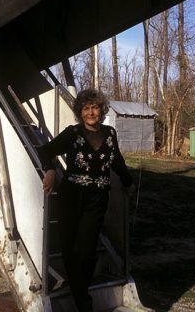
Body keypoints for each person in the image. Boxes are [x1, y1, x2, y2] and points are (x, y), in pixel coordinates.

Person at [38, 88, 133, 312]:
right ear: (80, 112)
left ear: (102, 110)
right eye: (86, 108)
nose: (91, 112)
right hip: (71, 196)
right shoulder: (73, 133)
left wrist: (128, 182)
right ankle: (84, 304)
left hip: (97, 198)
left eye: (95, 107)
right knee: (71, 249)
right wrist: (51, 170)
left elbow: (116, 160)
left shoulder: (110, 134)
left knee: (86, 250)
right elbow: (45, 151)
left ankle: (80, 287)